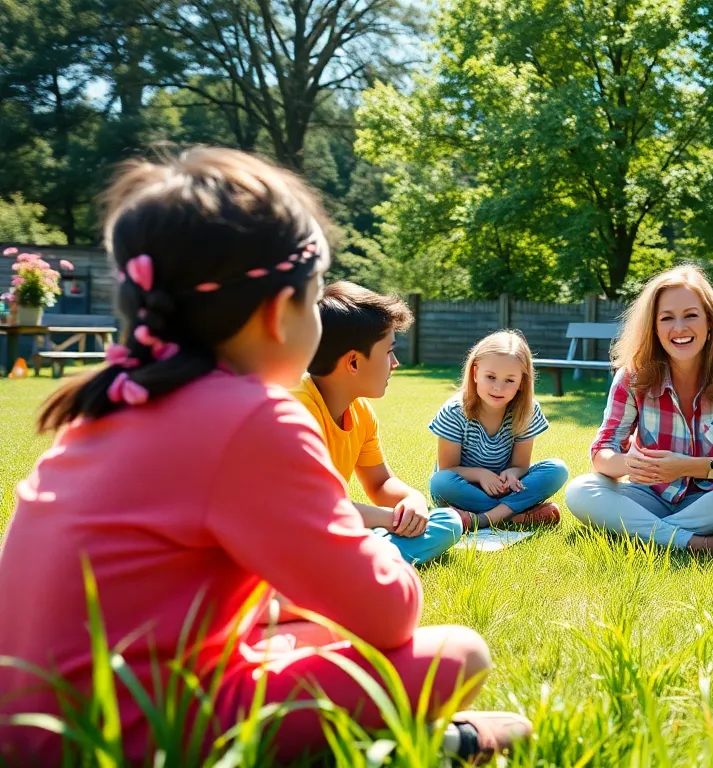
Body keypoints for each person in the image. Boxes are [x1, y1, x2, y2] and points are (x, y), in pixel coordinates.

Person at [0, 148, 529, 765]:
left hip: (34, 720)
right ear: (281, 313)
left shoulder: (109, 405)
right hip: (129, 734)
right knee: (459, 653)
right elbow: (388, 611)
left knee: (312, 629)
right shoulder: (255, 417)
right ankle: (430, 745)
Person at [565, 265, 713, 551]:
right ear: (654, 326)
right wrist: (632, 465)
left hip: (711, 498)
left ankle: (651, 533)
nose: (679, 328)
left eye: (690, 315)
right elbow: (602, 451)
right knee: (580, 491)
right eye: (667, 318)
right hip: (649, 496)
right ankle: (701, 543)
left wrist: (686, 467)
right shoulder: (632, 375)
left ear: (710, 321)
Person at [294, 281, 465, 564]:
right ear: (353, 363)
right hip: (287, 538)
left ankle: (369, 557)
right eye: (388, 352)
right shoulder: (295, 412)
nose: (395, 363)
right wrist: (390, 519)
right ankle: (368, 559)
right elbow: (312, 508)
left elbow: (381, 483)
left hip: (332, 532)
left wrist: (412, 501)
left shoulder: (360, 412)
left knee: (447, 521)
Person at [428, 330, 568, 529]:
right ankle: (516, 515)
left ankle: (483, 519)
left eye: (509, 380)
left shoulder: (527, 411)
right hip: (464, 489)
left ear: (522, 382)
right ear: (475, 373)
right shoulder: (454, 411)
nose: (498, 388)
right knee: (440, 482)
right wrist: (481, 475)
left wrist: (512, 474)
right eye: (491, 377)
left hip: (505, 488)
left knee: (557, 469)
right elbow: (447, 469)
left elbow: (521, 465)